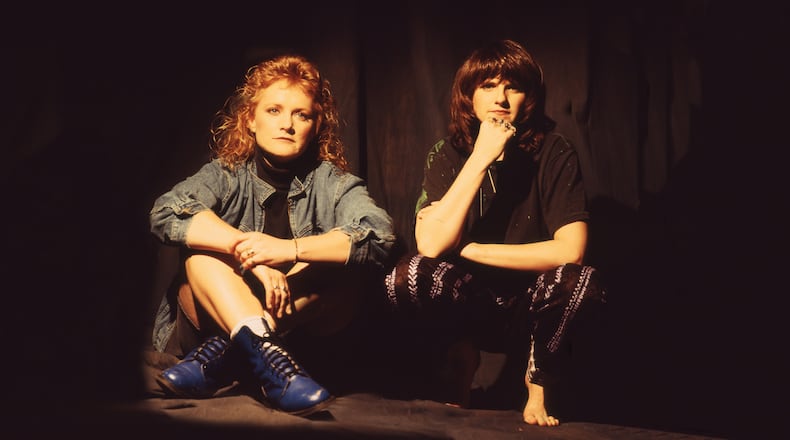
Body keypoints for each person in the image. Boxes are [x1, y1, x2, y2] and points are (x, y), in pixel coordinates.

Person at [149, 53, 395, 416]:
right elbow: (166, 210)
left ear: (316, 126)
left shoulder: (334, 184)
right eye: (274, 110)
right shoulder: (226, 173)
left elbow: (379, 236)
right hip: (204, 323)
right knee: (203, 255)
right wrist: (247, 253)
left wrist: (290, 250)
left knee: (343, 272)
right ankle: (262, 353)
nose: (288, 125)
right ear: (250, 120)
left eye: (302, 114)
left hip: (294, 336)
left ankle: (228, 353)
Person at [383, 39, 606, 426]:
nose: (500, 97)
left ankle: (538, 382)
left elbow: (571, 251)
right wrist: (482, 156)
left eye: (512, 87)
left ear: (529, 97)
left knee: (581, 282)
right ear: (468, 95)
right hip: (471, 301)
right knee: (405, 277)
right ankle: (461, 360)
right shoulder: (447, 153)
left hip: (531, 303)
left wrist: (469, 248)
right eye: (488, 85)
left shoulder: (554, 151)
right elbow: (431, 245)